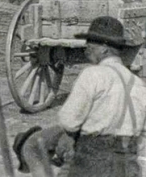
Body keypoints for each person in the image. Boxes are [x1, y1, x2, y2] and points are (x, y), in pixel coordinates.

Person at [14, 16, 146, 177]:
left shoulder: (92, 74)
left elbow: (68, 121)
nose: (86, 46)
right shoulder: (138, 84)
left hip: (93, 163)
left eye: (91, 42)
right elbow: (142, 136)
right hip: (128, 167)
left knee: (32, 145)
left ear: (104, 48)